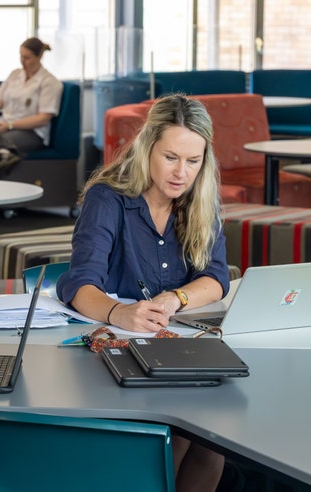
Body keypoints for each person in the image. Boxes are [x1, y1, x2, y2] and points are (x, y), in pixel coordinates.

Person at [56, 94, 230, 492]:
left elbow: (216, 277)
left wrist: (176, 299)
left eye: (193, 161)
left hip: (176, 346)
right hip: (115, 349)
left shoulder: (200, 200)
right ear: (147, 146)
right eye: (171, 157)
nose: (181, 173)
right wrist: (119, 313)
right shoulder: (108, 198)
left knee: (212, 440)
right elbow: (79, 282)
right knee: (184, 425)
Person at [0, 37, 63, 178]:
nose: (22, 61)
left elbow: (43, 119)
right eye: (21, 56)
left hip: (31, 132)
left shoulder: (50, 82)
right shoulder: (15, 74)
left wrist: (9, 125)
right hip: (3, 125)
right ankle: (4, 153)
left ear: (39, 57)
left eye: (27, 57)